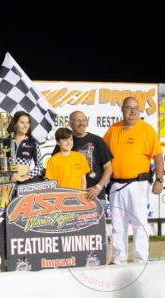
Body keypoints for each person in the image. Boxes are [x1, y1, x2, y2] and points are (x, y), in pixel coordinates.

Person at [103, 97, 163, 264]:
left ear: (139, 110)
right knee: (118, 223)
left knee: (139, 222)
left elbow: (158, 157)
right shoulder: (113, 129)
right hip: (116, 185)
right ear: (122, 110)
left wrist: (159, 180)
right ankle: (119, 258)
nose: (132, 111)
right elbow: (103, 153)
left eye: (136, 108)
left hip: (138, 183)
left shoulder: (147, 130)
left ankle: (140, 259)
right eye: (129, 108)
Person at [52, 110, 113, 200]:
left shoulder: (98, 141)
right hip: (71, 196)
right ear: (70, 123)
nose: (81, 123)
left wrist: (98, 187)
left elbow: (108, 168)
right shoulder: (65, 142)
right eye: (77, 120)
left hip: (95, 195)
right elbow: (55, 169)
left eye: (83, 120)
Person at [7, 111, 43, 183]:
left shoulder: (33, 143)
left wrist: (24, 177)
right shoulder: (6, 141)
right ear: (15, 124)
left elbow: (39, 166)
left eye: (28, 122)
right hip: (7, 182)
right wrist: (7, 177)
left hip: (24, 184)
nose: (26, 126)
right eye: (22, 122)